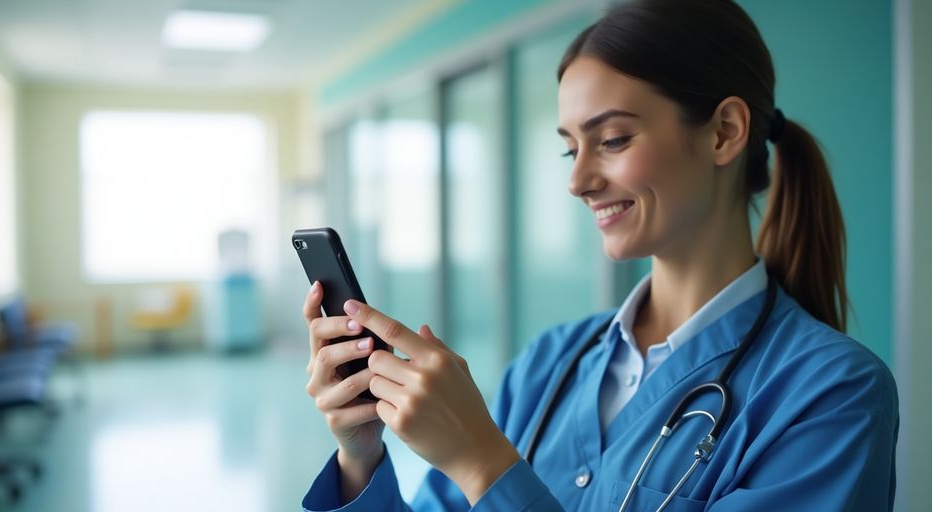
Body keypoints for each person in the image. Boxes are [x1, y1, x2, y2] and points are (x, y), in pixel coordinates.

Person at [299, 0, 898, 510]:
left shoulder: (832, 395)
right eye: (569, 150)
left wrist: (483, 464)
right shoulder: (548, 365)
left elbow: (483, 473)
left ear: (724, 132)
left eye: (612, 140)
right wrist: (361, 456)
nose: (579, 181)